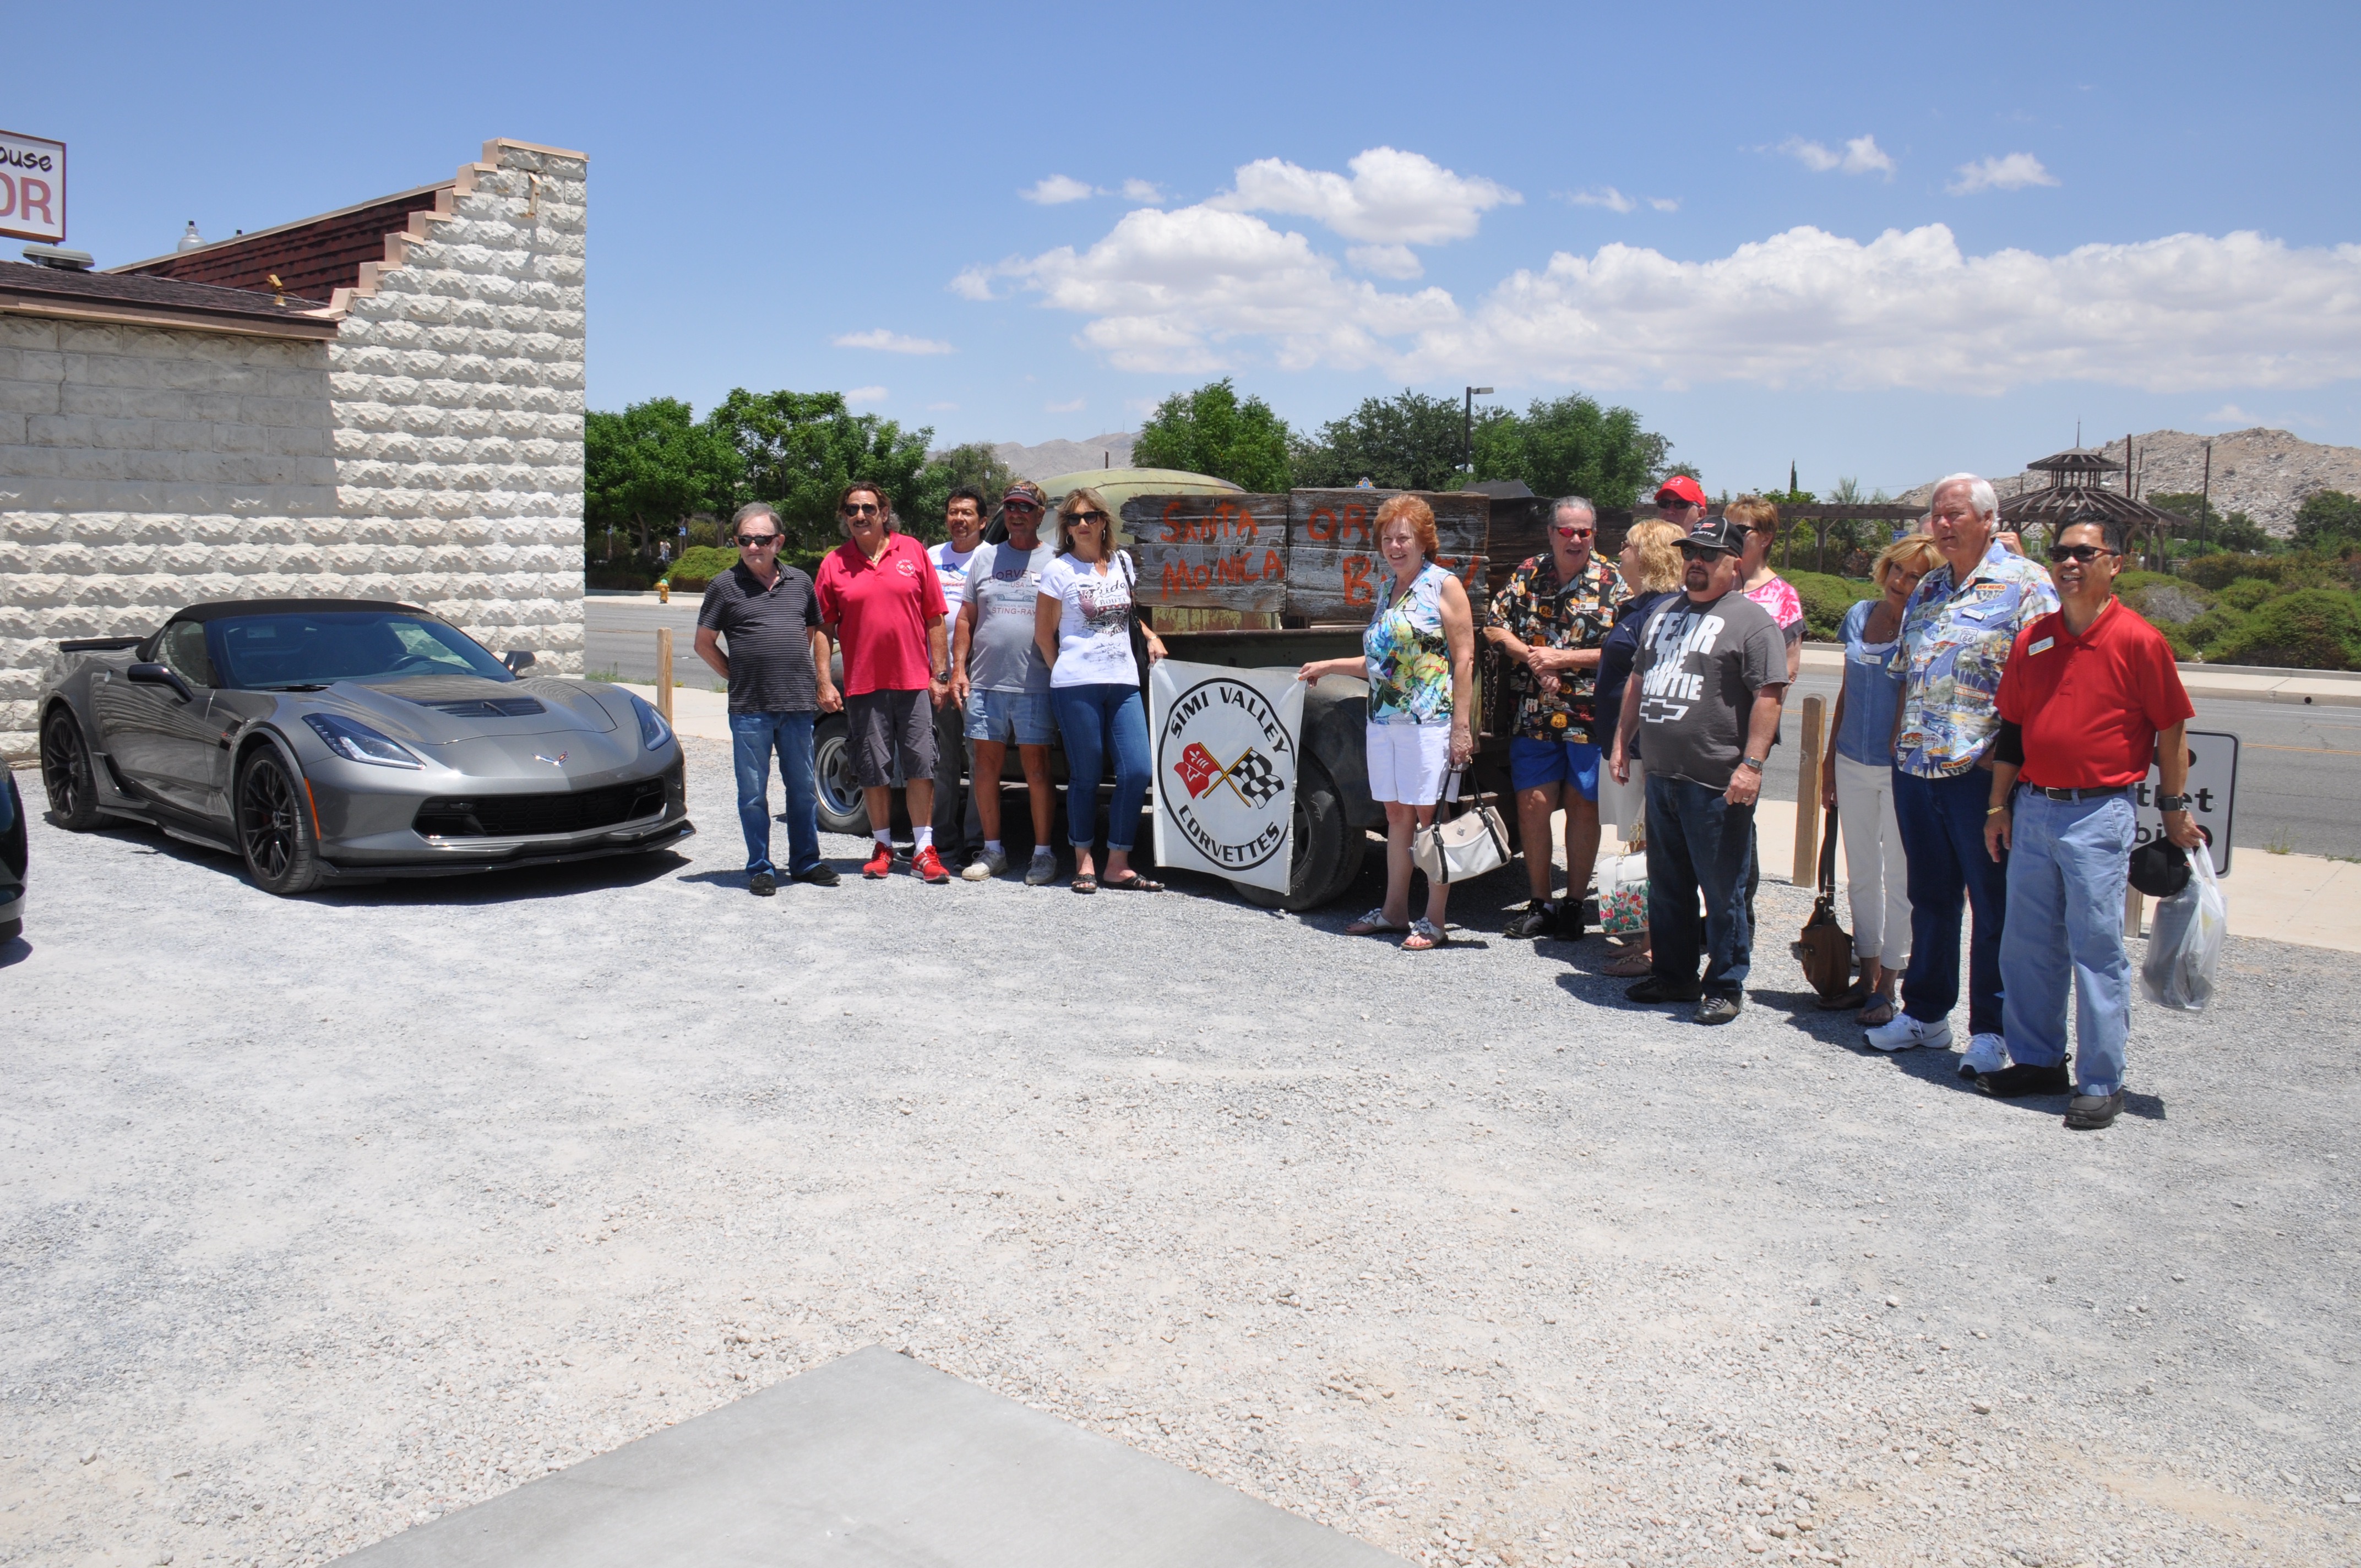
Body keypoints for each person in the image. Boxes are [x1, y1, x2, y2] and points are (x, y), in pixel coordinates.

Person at [1982, 519, 2200, 1129]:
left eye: (2084, 553)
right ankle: (2037, 1061)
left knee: (2096, 948)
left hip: (2098, 812)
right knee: (2026, 946)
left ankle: (2102, 1080)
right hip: (2033, 809)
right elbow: (2015, 729)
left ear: (2114, 564)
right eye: (2061, 553)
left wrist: (2174, 808)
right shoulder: (2036, 639)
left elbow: (2171, 726)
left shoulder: (2139, 640)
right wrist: (1998, 806)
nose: (2069, 562)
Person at [1871, 474, 2059, 1066]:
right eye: (1935, 514)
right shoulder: (1927, 588)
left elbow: (2047, 681)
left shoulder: (2026, 585)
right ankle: (1924, 1013)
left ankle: (1993, 1028)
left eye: (1954, 515)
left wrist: (1998, 755)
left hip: (1981, 773)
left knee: (1992, 902)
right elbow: (1906, 674)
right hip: (1916, 765)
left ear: (1987, 518)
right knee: (1929, 895)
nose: (1942, 525)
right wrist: (1898, 744)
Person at [1608, 516, 1788, 1025]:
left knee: (1723, 888)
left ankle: (1726, 983)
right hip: (1663, 774)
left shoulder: (1752, 622)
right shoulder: (1664, 612)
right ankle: (1675, 976)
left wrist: (1751, 765)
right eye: (1691, 553)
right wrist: (1623, 744)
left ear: (1735, 563)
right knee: (1667, 885)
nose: (1696, 563)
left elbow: (1769, 697)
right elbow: (1638, 682)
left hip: (1717, 781)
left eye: (1708, 556)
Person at [1297, 494, 1478, 951]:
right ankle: (1395, 911)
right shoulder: (1388, 589)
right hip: (1385, 718)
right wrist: (1331, 665)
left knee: (1429, 818)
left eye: (1405, 538)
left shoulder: (1444, 585)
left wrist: (1461, 727)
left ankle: (1434, 919)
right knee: (1396, 814)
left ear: (1423, 542)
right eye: (1388, 538)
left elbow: (1464, 658)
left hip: (1429, 722)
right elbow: (1381, 663)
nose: (1396, 546)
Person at [1816, 534, 1941, 1024]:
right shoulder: (1858, 615)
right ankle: (1865, 978)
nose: (1903, 583)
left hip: (1901, 770)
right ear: (1885, 568)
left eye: (1916, 577)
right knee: (1861, 873)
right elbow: (1847, 692)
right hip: (1851, 761)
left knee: (1900, 878)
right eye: (1898, 571)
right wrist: (1829, 762)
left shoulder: (1926, 626)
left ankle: (1890, 984)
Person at [1486, 497, 1623, 940]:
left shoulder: (1615, 582)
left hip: (1590, 716)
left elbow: (1628, 650)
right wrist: (1532, 658)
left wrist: (1564, 659)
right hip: (1535, 712)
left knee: (1585, 806)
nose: (1576, 539)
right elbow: (1494, 624)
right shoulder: (1528, 574)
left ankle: (1572, 905)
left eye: (1585, 531)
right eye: (1567, 531)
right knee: (1533, 804)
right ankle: (1541, 902)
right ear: (1551, 533)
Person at [693, 502, 841, 896]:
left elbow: (809, 632)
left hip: (796, 706)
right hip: (750, 710)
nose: (753, 546)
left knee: (802, 790)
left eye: (761, 539)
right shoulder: (723, 586)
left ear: (779, 542)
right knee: (754, 794)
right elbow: (704, 643)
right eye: (745, 539)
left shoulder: (801, 583)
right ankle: (760, 866)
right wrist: (737, 674)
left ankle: (806, 862)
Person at [814, 480, 954, 884]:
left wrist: (940, 675)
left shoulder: (912, 551)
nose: (861, 516)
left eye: (869, 509)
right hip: (863, 685)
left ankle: (924, 850)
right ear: (844, 516)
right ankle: (882, 846)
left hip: (913, 683)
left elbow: (935, 617)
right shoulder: (833, 564)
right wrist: (824, 681)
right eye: (853, 510)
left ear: (884, 512)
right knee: (873, 768)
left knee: (921, 766)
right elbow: (823, 628)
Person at [1035, 486, 1167, 893]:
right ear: (1066, 528)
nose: (1082, 525)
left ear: (1104, 521)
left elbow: (1124, 615)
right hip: (1077, 685)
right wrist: (1066, 674)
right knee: (1087, 774)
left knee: (1137, 769)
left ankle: (1118, 862)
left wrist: (1150, 635)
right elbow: (1044, 635)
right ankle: (1084, 860)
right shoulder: (1059, 571)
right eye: (1073, 519)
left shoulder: (1123, 562)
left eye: (1090, 516)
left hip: (1124, 680)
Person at [1591, 518, 1687, 977]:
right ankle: (1641, 934)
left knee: (1652, 844)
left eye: (1626, 545)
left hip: (1647, 748)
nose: (1619, 552)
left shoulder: (1667, 610)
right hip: (1626, 747)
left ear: (1649, 555)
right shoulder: (1639, 606)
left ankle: (1653, 948)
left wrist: (1626, 742)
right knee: (1635, 840)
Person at [955, 483, 1061, 885]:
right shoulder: (985, 557)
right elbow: (966, 618)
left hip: (1035, 683)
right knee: (985, 767)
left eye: (1026, 508)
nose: (1017, 514)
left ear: (1040, 515)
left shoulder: (1054, 560)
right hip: (984, 681)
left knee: (1037, 769)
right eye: (1011, 507)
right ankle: (993, 850)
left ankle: (1043, 854)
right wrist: (960, 669)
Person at [926, 487, 989, 872]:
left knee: (980, 758)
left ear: (983, 521)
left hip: (978, 675)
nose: (959, 519)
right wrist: (937, 672)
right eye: (953, 512)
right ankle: (943, 840)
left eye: (967, 513)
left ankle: (978, 841)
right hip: (937, 673)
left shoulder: (992, 558)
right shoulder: (932, 556)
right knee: (941, 761)